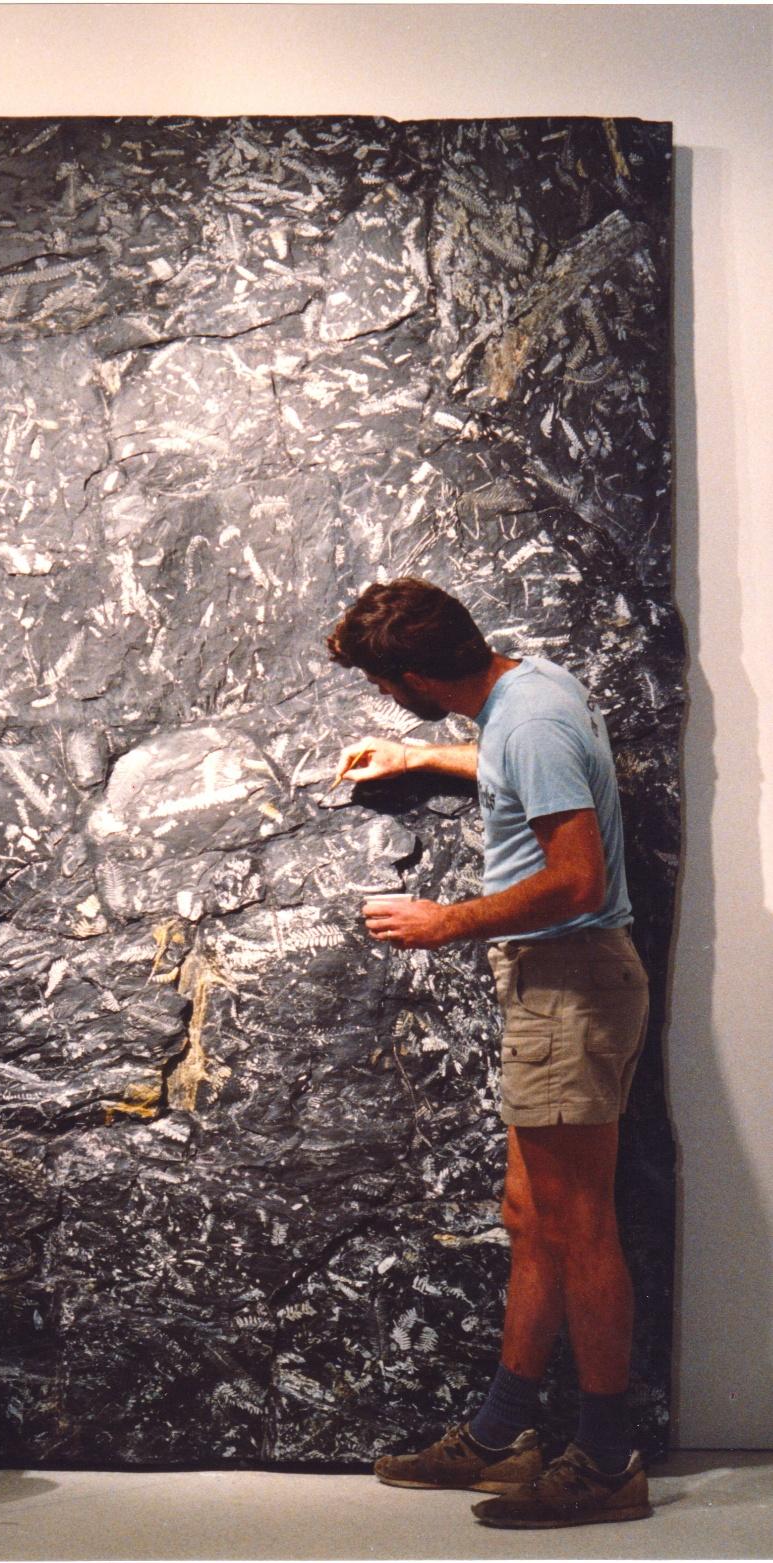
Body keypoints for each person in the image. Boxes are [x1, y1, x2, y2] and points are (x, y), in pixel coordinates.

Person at [327, 576, 653, 1530]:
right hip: (552, 982)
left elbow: (576, 877)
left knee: (580, 1221)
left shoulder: (529, 722)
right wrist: (420, 755)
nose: (387, 697)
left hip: (568, 979)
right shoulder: (523, 694)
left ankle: (604, 1460)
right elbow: (518, 770)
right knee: (530, 1212)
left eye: (389, 686)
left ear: (417, 673)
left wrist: (446, 920)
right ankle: (506, 1431)